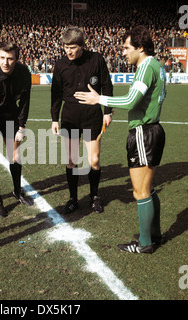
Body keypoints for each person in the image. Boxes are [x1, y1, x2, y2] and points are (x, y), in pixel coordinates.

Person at [74, 25, 166, 254]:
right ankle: (154, 235)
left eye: (126, 48)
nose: (123, 53)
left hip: (144, 133)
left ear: (141, 47)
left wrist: (100, 100)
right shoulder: (156, 66)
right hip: (152, 131)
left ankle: (145, 243)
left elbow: (131, 101)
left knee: (140, 192)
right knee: (148, 188)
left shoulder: (146, 67)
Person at [51, 27, 113, 214]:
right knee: (71, 160)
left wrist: (107, 111)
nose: (68, 51)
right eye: (65, 47)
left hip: (91, 116)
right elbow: (55, 93)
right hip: (69, 117)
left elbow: (107, 86)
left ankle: (94, 196)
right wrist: (55, 119)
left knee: (94, 160)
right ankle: (73, 198)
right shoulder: (60, 64)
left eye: (72, 47)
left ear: (82, 46)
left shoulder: (96, 60)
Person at [0, 42, 33, 218]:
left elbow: (25, 101)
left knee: (15, 156)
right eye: (2, 58)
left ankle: (17, 191)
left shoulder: (23, 73)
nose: (5, 62)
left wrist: (22, 126)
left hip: (11, 117)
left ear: (16, 59)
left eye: (10, 58)